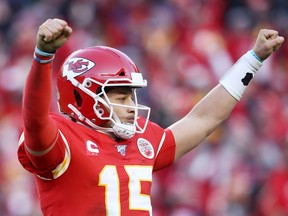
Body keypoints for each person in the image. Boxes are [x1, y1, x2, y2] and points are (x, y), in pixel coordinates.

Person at [17, 18, 284, 216]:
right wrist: (43, 57)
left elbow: (203, 120)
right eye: (121, 98)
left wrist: (252, 60)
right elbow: (35, 120)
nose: (131, 106)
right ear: (83, 98)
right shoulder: (62, 142)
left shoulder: (142, 139)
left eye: (131, 97)